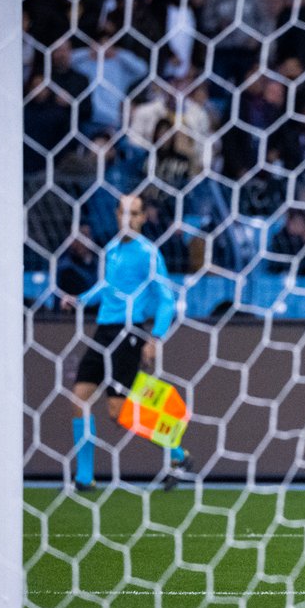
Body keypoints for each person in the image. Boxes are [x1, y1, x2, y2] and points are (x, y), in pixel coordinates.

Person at [60, 194, 191, 492]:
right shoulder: (111, 250)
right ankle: (83, 478)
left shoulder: (148, 253)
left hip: (129, 332)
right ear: (116, 214)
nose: (128, 219)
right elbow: (107, 287)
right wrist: (79, 300)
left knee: (118, 413)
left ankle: (178, 453)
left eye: (134, 214)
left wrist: (155, 337)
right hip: (104, 331)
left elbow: (166, 298)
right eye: (124, 213)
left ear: (143, 218)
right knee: (79, 398)